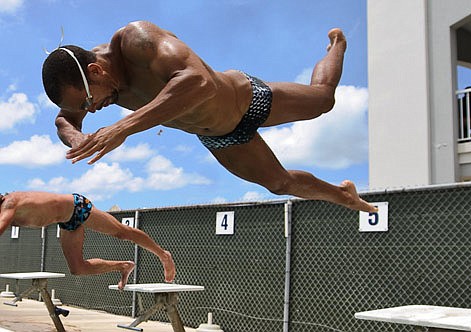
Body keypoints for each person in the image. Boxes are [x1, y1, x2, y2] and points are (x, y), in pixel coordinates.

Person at [42, 20, 377, 213]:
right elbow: (64, 120)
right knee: (279, 183)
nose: (92, 109)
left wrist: (123, 128)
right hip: (219, 136)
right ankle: (342, 193)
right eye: (85, 108)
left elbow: (197, 82)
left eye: (89, 101)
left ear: (96, 70)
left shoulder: (137, 41)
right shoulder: (91, 89)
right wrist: (78, 139)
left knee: (323, 101)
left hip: (245, 99)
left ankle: (337, 45)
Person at [0, 191, 175, 289]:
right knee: (77, 268)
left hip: (77, 207)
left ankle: (163, 254)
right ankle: (123, 266)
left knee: (122, 232)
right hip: (66, 221)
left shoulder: (9, 204)